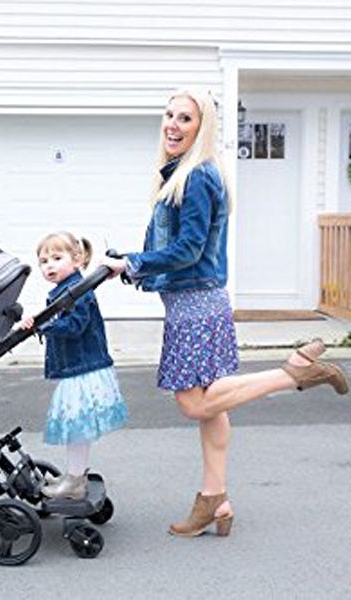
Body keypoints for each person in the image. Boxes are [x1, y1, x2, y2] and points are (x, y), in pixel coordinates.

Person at [101, 88, 349, 537]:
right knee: (214, 407)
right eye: (169, 115)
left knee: (194, 403)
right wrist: (131, 264)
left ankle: (295, 373)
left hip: (196, 305)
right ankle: (216, 500)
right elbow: (167, 246)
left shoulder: (197, 176)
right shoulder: (176, 175)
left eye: (185, 119)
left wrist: (135, 264)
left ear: (202, 128)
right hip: (196, 301)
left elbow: (188, 249)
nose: (173, 125)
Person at [19, 231, 128, 500]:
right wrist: (37, 320)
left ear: (77, 259)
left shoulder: (78, 291)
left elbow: (74, 326)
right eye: (44, 261)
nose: (49, 265)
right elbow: (57, 318)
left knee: (76, 428)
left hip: (83, 369)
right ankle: (74, 474)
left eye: (57, 258)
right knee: (77, 428)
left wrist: (43, 324)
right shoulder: (64, 290)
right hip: (80, 367)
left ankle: (75, 481)